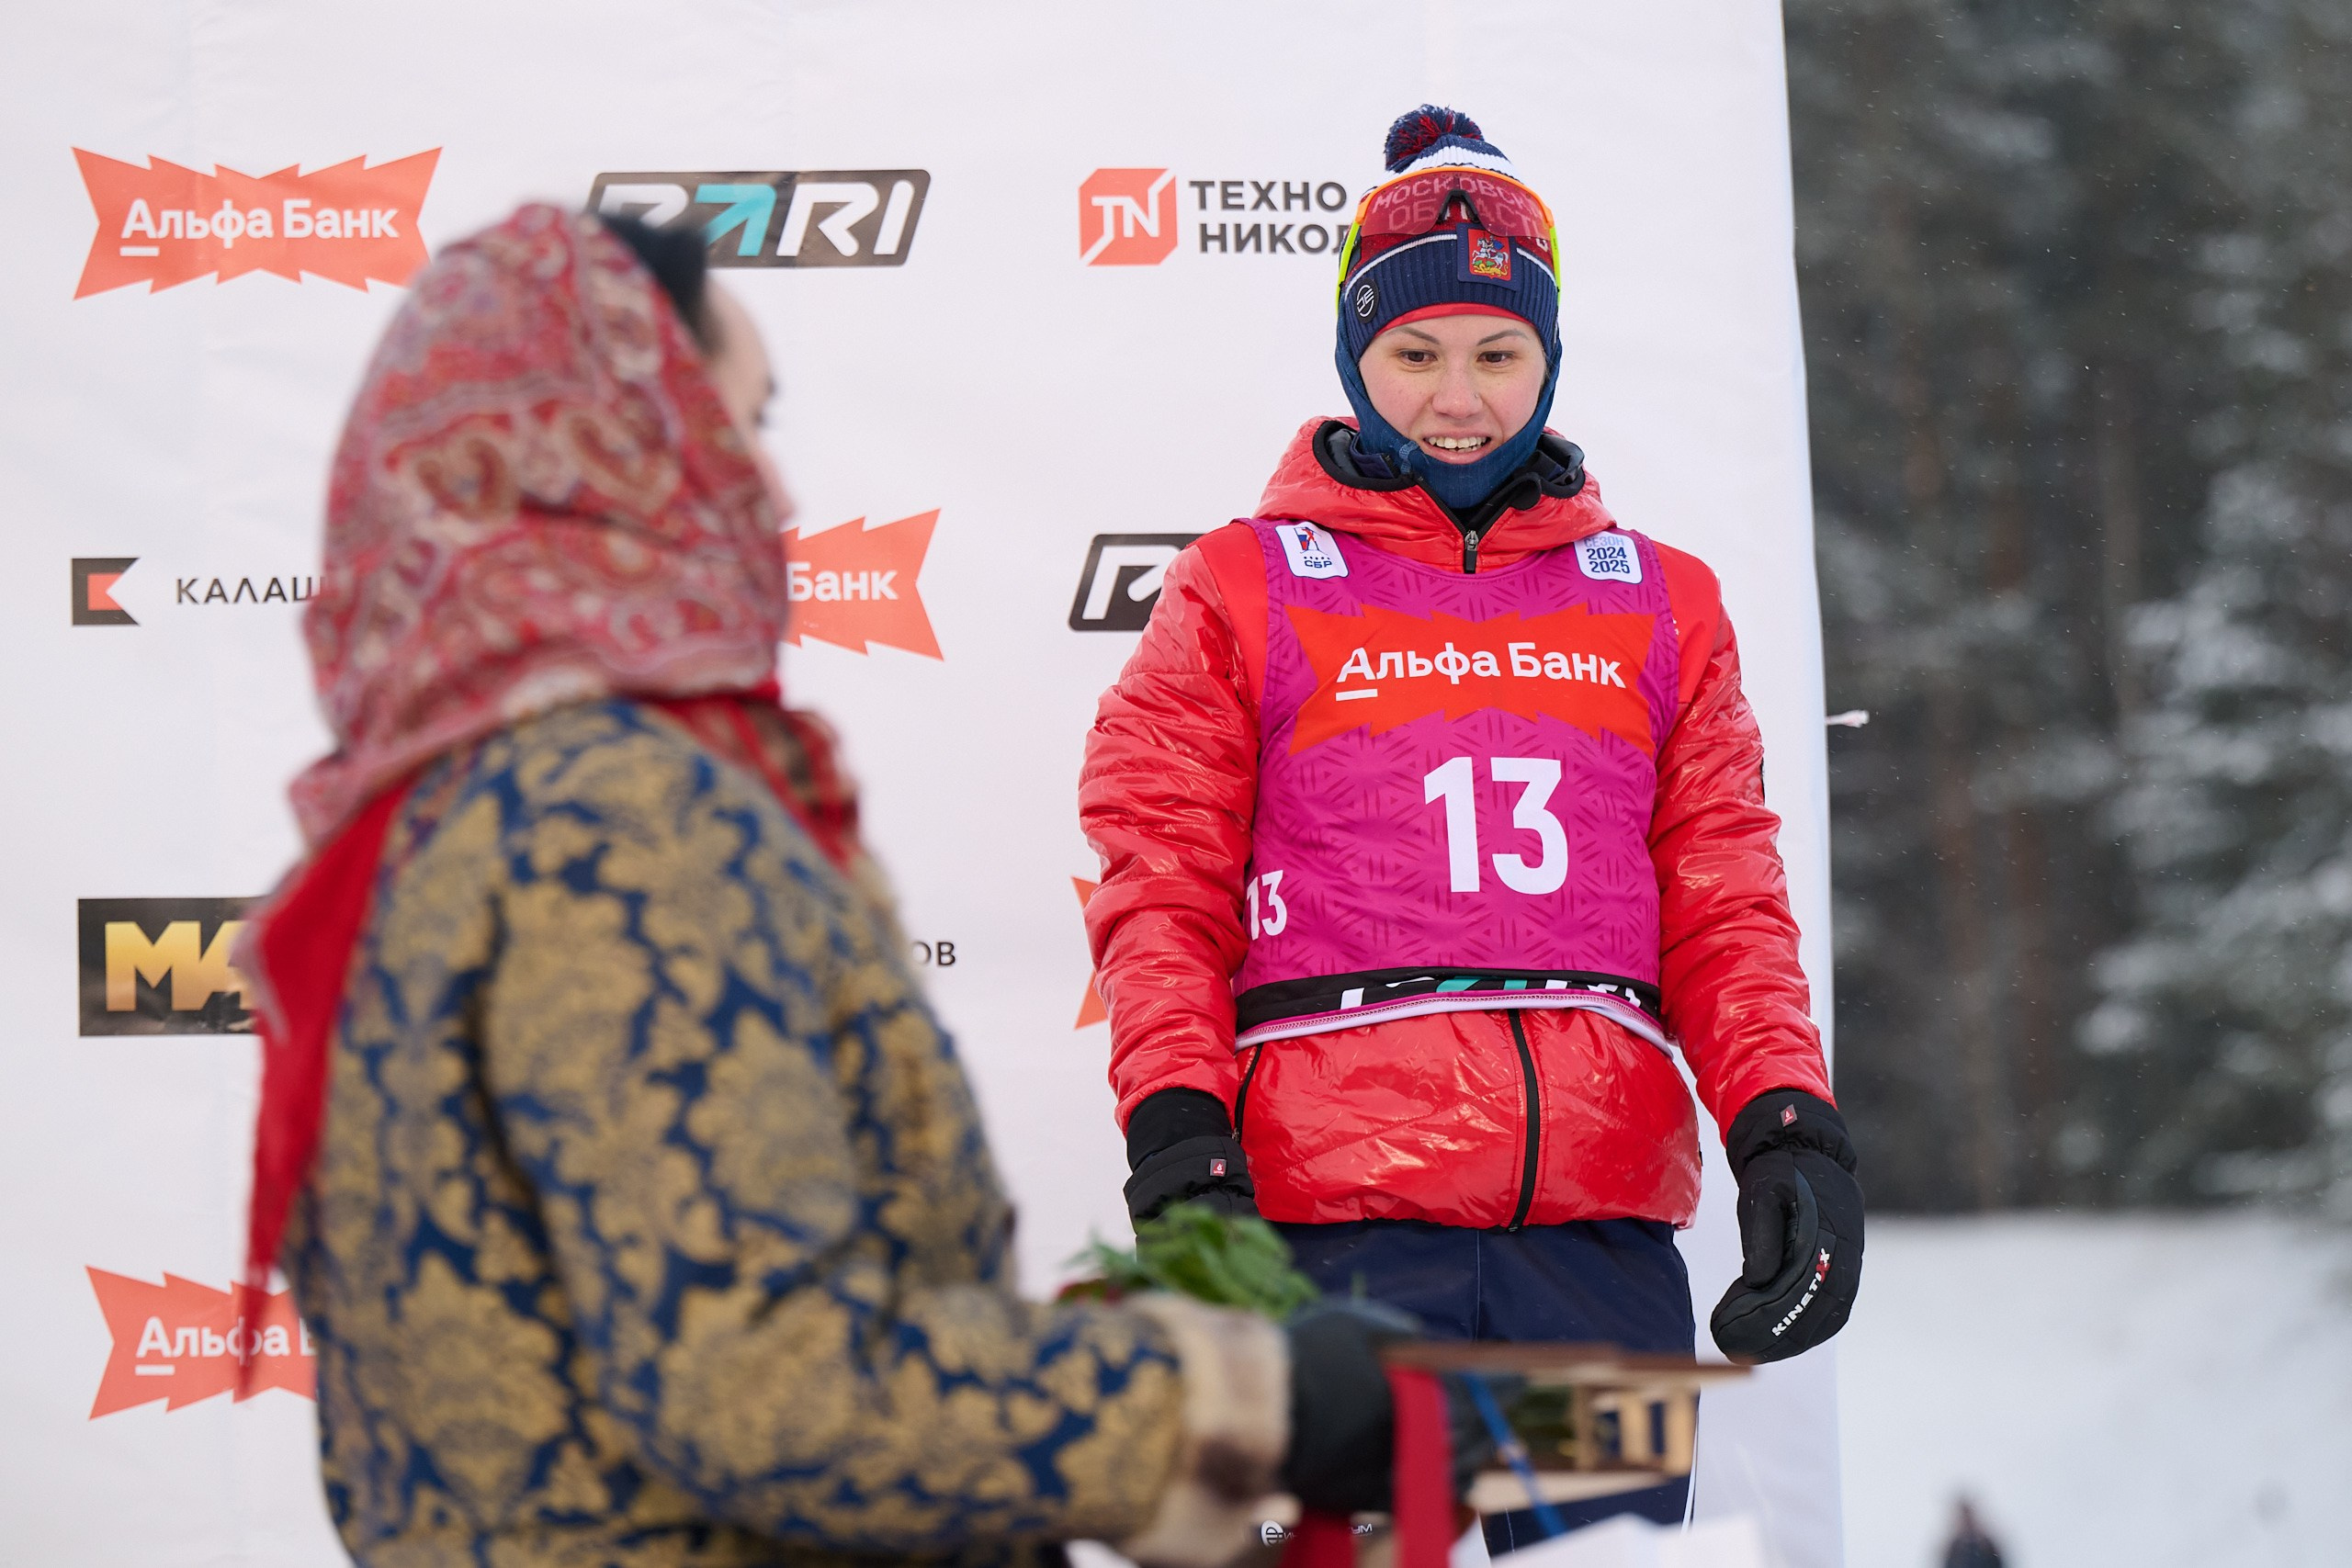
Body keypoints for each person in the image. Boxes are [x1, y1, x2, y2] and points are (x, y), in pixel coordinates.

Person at [237, 204, 1403, 1568]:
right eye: (745, 426)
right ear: (603, 455)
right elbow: (770, 1389)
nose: (781, 501)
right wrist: (1237, 1403)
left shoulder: (413, 829)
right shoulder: (616, 818)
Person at [1080, 107, 1866, 1544]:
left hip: (1594, 1243)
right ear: (1353, 357)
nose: (1460, 397)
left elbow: (1723, 897)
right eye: (1416, 354)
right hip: (1326, 1241)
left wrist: (1785, 1129)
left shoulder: (1658, 598)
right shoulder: (1241, 588)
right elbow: (1159, 886)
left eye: (1501, 354)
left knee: (1600, 1554)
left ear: (1550, 361)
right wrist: (1179, 1142)